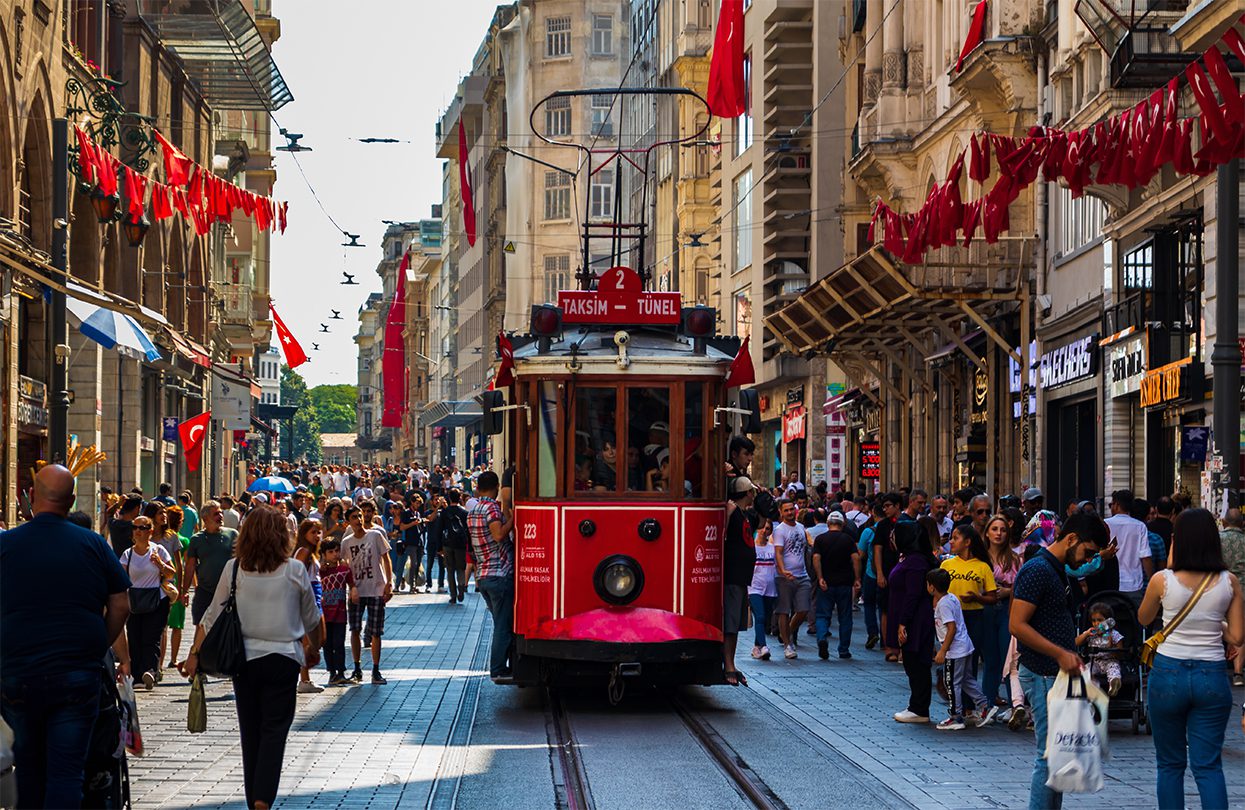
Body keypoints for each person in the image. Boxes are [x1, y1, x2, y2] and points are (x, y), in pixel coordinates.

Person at [1, 465, 131, 809]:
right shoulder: (93, 545)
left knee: (27, 767)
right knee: (67, 772)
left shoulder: (6, 545)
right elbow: (121, 603)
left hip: (18, 673)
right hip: (77, 672)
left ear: (31, 495)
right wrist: (100, 642)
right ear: (71, 501)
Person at [182, 507, 323, 810]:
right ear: (282, 536)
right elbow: (312, 618)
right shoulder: (294, 570)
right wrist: (315, 648)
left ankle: (253, 800)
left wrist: (194, 654)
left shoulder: (234, 568)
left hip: (244, 659)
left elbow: (211, 615)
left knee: (251, 730)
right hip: (283, 659)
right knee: (274, 729)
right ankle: (263, 799)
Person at [1138, 508, 1243, 810]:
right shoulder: (1229, 581)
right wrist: (1215, 623)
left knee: (1170, 765)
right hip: (1211, 676)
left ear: (1178, 541)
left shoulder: (1162, 580)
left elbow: (1144, 617)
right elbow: (1237, 637)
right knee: (1208, 766)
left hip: (1168, 674)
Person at [1009, 511, 1108, 810]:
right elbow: (1017, 625)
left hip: (1055, 673)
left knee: (1058, 754)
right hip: (1042, 672)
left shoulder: (1056, 568)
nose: (1088, 559)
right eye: (1088, 551)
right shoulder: (1038, 569)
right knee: (1049, 755)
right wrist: (1060, 652)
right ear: (1072, 539)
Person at [928, 568, 995, 731]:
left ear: (931, 587)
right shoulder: (951, 598)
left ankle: (956, 716)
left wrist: (943, 650)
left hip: (955, 651)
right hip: (964, 647)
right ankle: (984, 706)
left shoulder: (944, 604)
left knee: (951, 682)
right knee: (966, 679)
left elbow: (951, 628)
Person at [467, 471, 516, 682]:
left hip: (484, 575)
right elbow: (497, 535)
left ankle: (501, 664)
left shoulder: (473, 510)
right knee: (503, 626)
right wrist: (512, 521)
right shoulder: (491, 509)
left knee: (500, 623)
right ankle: (497, 668)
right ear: (496, 486)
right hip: (499, 573)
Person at [120, 516, 177, 689]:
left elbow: (171, 573)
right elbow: (121, 578)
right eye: (135, 527)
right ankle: (137, 676)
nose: (138, 530)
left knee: (151, 638)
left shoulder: (158, 550)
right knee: (135, 638)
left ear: (150, 531)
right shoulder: (127, 554)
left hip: (156, 600)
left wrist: (160, 564)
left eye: (143, 527)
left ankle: (150, 671)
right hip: (135, 601)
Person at [889, 517, 937, 724]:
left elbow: (914, 593)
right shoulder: (907, 557)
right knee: (910, 661)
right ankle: (916, 705)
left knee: (917, 661)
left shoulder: (916, 561)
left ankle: (920, 708)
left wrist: (903, 622)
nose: (892, 537)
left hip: (916, 618)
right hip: (909, 615)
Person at [941, 524, 998, 688]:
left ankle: (968, 705)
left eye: (955, 538)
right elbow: (937, 592)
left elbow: (992, 597)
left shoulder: (982, 567)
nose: (951, 541)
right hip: (950, 618)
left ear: (967, 542)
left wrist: (977, 597)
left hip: (974, 617)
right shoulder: (946, 565)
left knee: (970, 659)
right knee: (951, 657)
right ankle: (954, 701)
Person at [341, 506, 393, 684]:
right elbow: (343, 565)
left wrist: (389, 583)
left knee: (376, 631)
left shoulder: (375, 535)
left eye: (360, 516)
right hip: (357, 590)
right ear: (348, 521)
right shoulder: (346, 542)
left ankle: (376, 670)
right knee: (355, 629)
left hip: (376, 588)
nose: (359, 520)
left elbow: (386, 558)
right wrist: (349, 587)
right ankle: (357, 668)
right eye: (354, 517)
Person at [985, 514, 1022, 708]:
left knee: (1009, 659)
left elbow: (1021, 585)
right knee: (990, 659)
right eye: (994, 529)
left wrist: (1007, 590)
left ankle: (1014, 705)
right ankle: (987, 705)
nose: (999, 533)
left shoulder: (1014, 559)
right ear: (987, 533)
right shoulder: (980, 557)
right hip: (985, 609)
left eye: (1003, 530)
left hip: (1007, 609)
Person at [812, 511, 860, 660]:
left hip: (826, 583)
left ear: (828, 523)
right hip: (844, 583)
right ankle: (843, 650)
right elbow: (856, 558)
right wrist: (857, 578)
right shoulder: (848, 539)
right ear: (842, 524)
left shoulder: (820, 539)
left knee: (822, 615)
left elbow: (816, 558)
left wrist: (820, 577)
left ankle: (821, 637)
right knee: (845, 617)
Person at [723, 476, 757, 684]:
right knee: (731, 623)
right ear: (747, 493)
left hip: (741, 576)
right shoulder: (732, 509)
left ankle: (732, 664)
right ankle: (728, 665)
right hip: (732, 575)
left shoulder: (745, 513)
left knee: (735, 624)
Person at [184, 501, 239, 628]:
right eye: (216, 514)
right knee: (201, 627)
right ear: (205, 518)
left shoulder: (232, 535)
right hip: (205, 591)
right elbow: (190, 566)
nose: (220, 516)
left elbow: (240, 560)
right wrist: (185, 590)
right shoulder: (197, 539)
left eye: (221, 512)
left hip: (228, 592)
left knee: (226, 628)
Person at [772, 501, 812, 660]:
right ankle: (788, 645)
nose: (789, 512)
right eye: (786, 510)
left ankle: (786, 632)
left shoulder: (801, 527)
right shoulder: (779, 530)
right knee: (784, 611)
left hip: (802, 575)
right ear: (781, 513)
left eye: (791, 509)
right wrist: (782, 570)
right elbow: (778, 552)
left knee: (803, 609)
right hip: (784, 577)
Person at [1105, 489, 1154, 609]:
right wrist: (1152, 580)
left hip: (1109, 584)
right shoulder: (1140, 526)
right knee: (1134, 621)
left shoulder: (1105, 524)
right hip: (1133, 584)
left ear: (1116, 505)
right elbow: (1145, 557)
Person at [293, 519, 325, 693]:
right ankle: (303, 679)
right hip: (308, 597)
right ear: (304, 533)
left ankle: (303, 677)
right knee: (309, 641)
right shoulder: (303, 552)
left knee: (317, 640)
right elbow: (296, 576)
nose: (317, 536)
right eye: (313, 532)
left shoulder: (312, 553)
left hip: (315, 596)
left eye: (318, 532)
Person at [318, 539, 355, 685]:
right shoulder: (320, 571)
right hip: (325, 615)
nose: (334, 554)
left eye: (336, 551)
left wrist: (354, 591)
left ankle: (340, 672)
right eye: (330, 552)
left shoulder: (344, 570)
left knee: (339, 643)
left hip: (340, 614)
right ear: (323, 554)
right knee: (327, 644)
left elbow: (351, 583)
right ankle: (332, 672)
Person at [1075, 602, 1124, 696]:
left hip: (1110, 660)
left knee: (1114, 669)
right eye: (1094, 621)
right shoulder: (1091, 633)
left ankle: (1114, 684)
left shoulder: (1113, 634)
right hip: (1095, 662)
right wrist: (1086, 634)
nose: (1096, 623)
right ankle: (1090, 688)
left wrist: (1111, 646)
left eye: (1100, 620)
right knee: (1085, 670)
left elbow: (1120, 652)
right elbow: (1076, 642)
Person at [1220, 508, 1245, 686]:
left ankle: (1218, 669)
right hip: (1243, 590)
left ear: (1223, 522)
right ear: (1242, 524)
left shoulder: (1217, 540)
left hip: (1220, 588)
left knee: (1216, 626)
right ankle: (1237, 673)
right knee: (1240, 630)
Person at [748, 518, 777, 661]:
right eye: (762, 528)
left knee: (765, 619)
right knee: (759, 616)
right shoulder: (751, 548)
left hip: (770, 589)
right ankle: (764, 646)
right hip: (754, 588)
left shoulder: (772, 548)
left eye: (767, 529)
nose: (764, 531)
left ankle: (756, 647)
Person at [858, 501, 885, 650]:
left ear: (873, 513)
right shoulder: (891, 529)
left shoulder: (869, 532)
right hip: (887, 573)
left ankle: (872, 632)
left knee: (869, 604)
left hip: (871, 573)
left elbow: (860, 554)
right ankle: (885, 636)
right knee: (883, 607)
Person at [440, 490, 471, 604]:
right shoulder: (464, 513)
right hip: (461, 544)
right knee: (460, 568)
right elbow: (468, 531)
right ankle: (461, 590)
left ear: (449, 498)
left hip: (448, 544)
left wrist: (439, 547)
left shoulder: (444, 512)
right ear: (460, 498)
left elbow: (440, 529)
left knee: (450, 569)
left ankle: (453, 595)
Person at [424, 495, 446, 593]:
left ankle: (441, 584)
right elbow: (430, 519)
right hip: (431, 542)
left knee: (442, 565)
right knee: (429, 564)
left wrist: (445, 506)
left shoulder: (443, 512)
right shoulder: (428, 512)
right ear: (431, 501)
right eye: (435, 500)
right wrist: (438, 508)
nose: (437, 501)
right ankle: (428, 584)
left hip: (441, 542)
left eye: (439, 500)